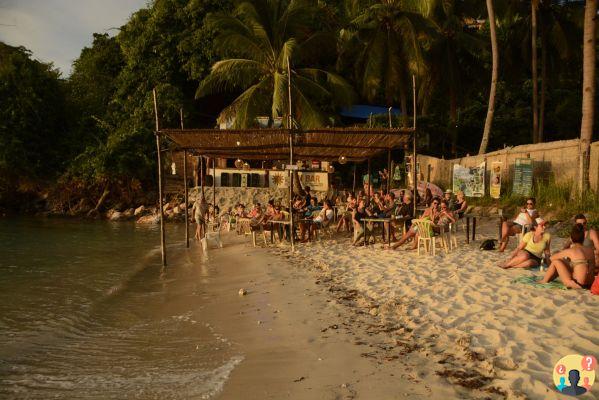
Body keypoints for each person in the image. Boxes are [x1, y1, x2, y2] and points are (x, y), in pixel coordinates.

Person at [540, 224, 596, 289]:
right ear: (583, 238)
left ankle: (544, 281)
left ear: (571, 239)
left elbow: (552, 258)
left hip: (577, 284)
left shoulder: (571, 250)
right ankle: (546, 279)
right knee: (572, 263)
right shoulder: (590, 250)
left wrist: (563, 259)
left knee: (556, 262)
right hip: (590, 284)